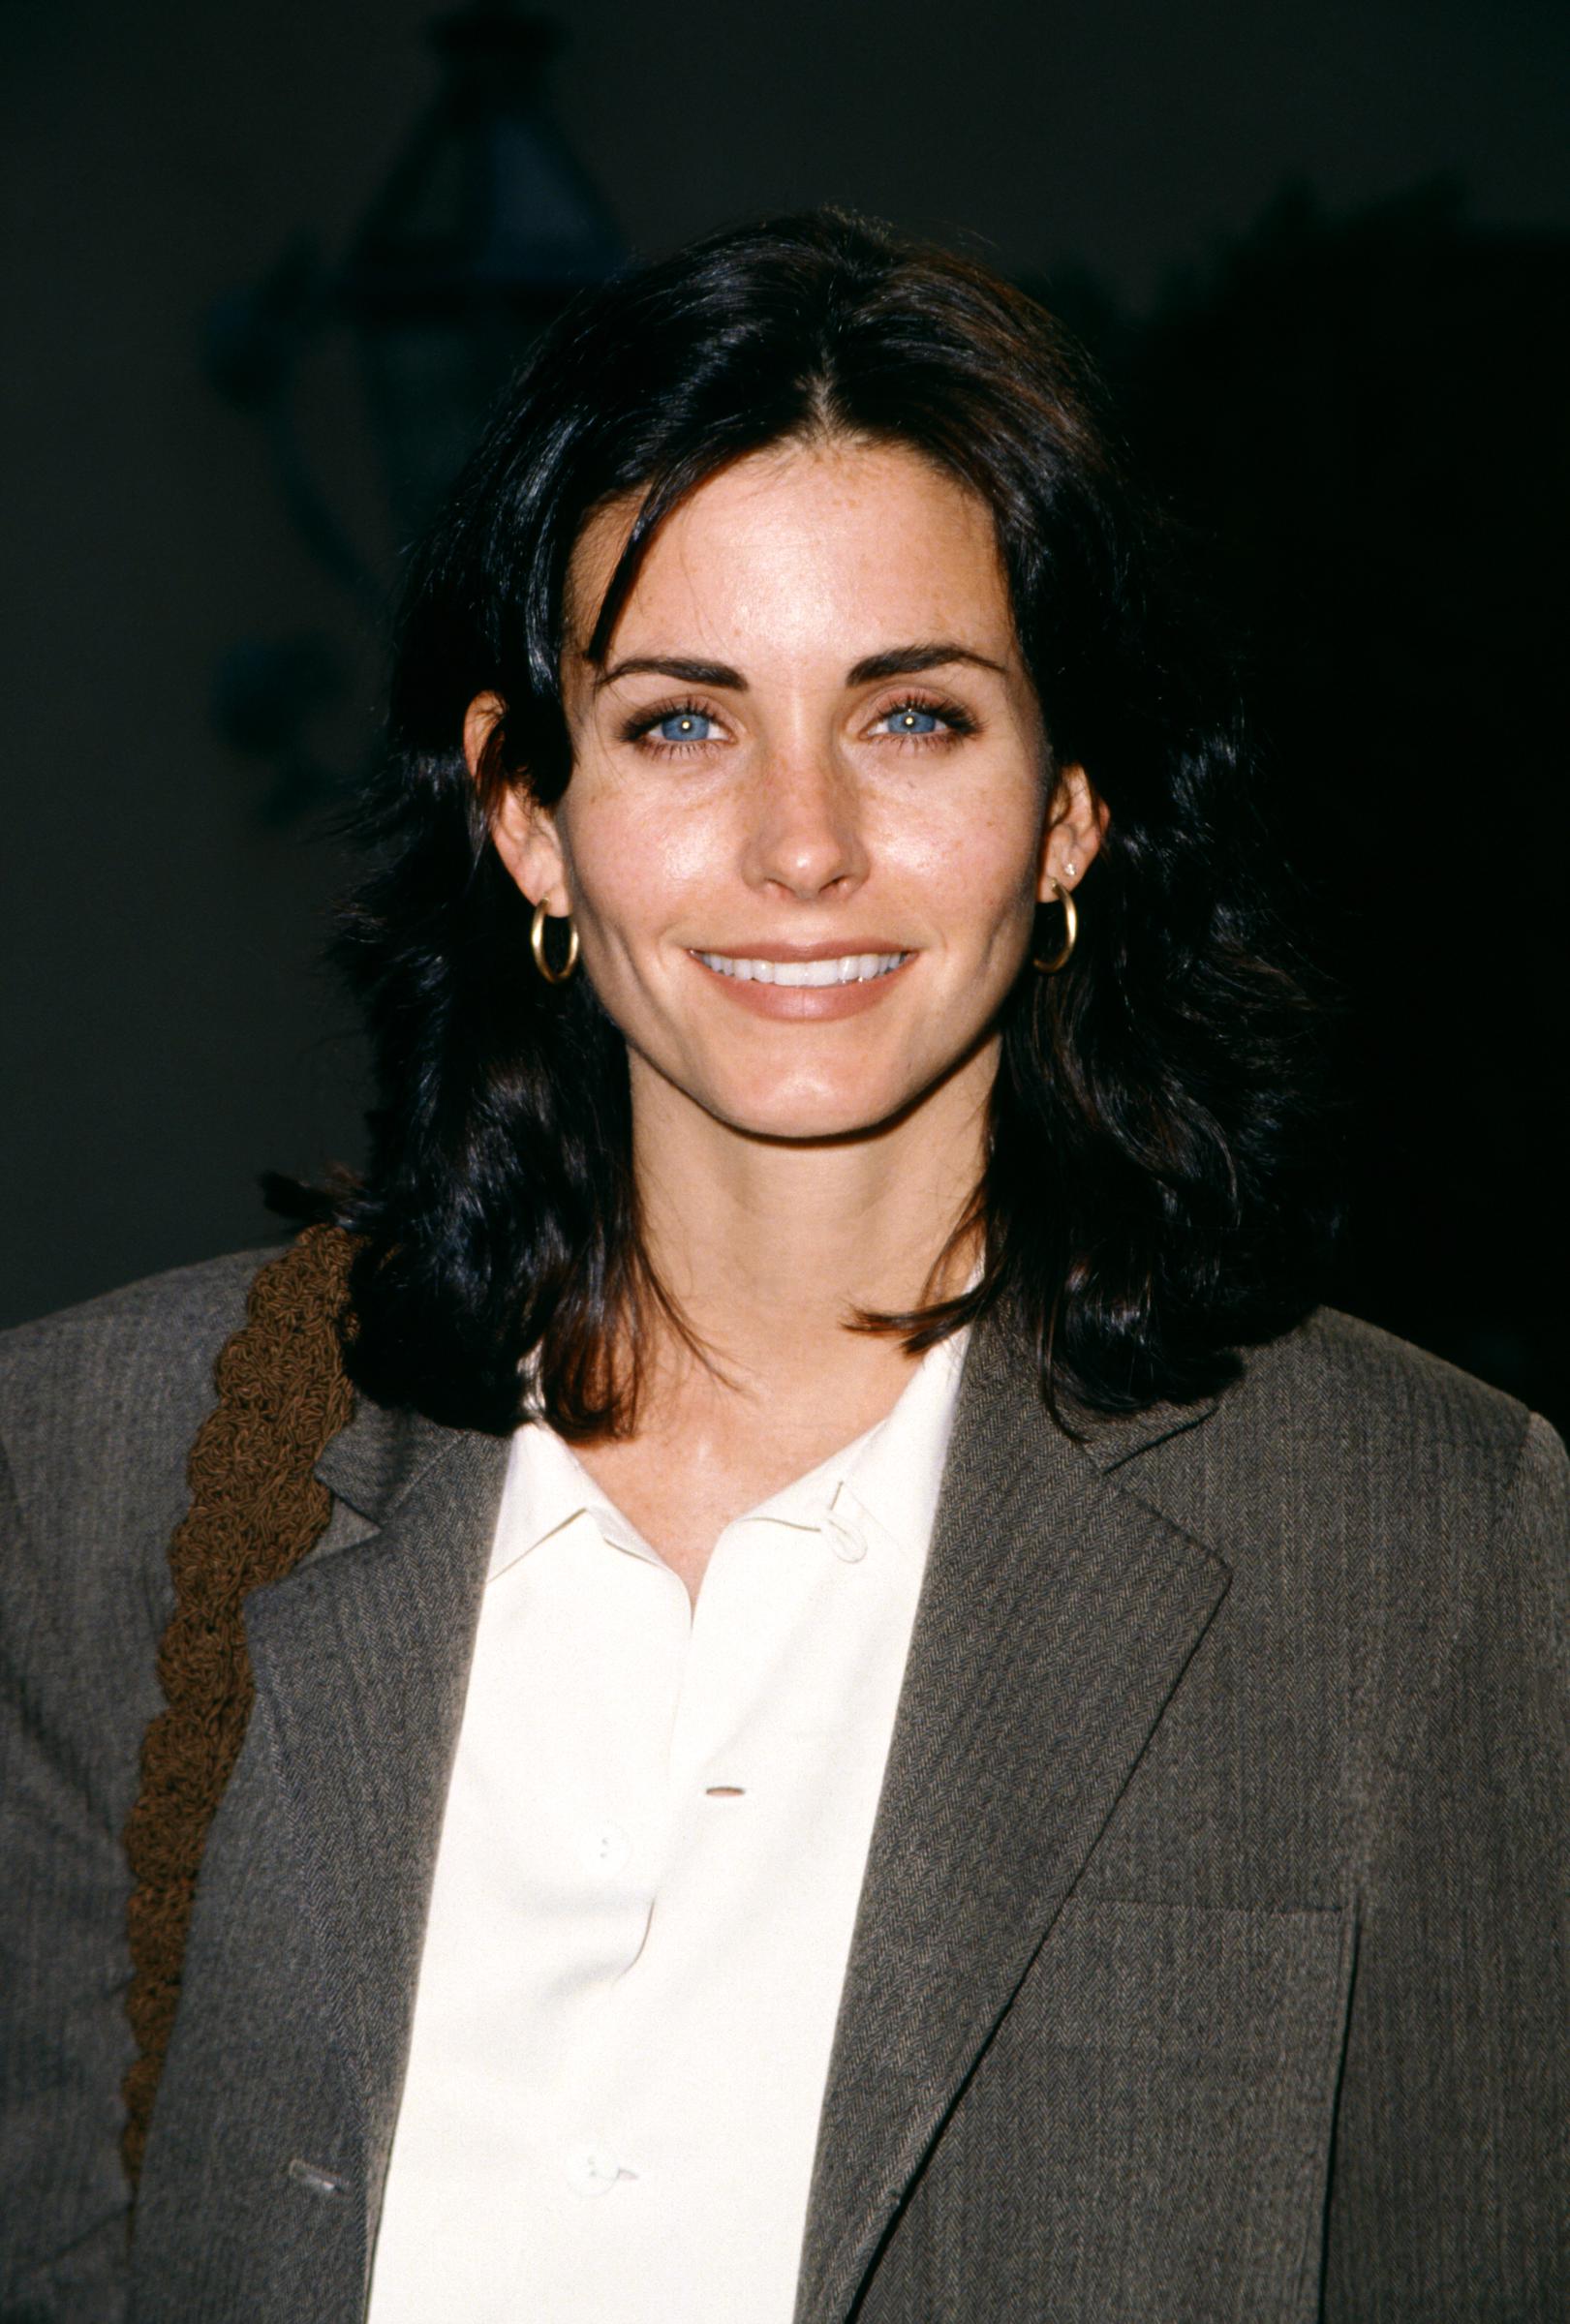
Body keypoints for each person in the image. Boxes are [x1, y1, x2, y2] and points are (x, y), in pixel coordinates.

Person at [1, 209, 1564, 2324]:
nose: (802, 843)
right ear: (525, 815)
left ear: (1073, 808)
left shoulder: (1426, 1548)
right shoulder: (100, 1473)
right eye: (678, 723)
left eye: (913, 719)